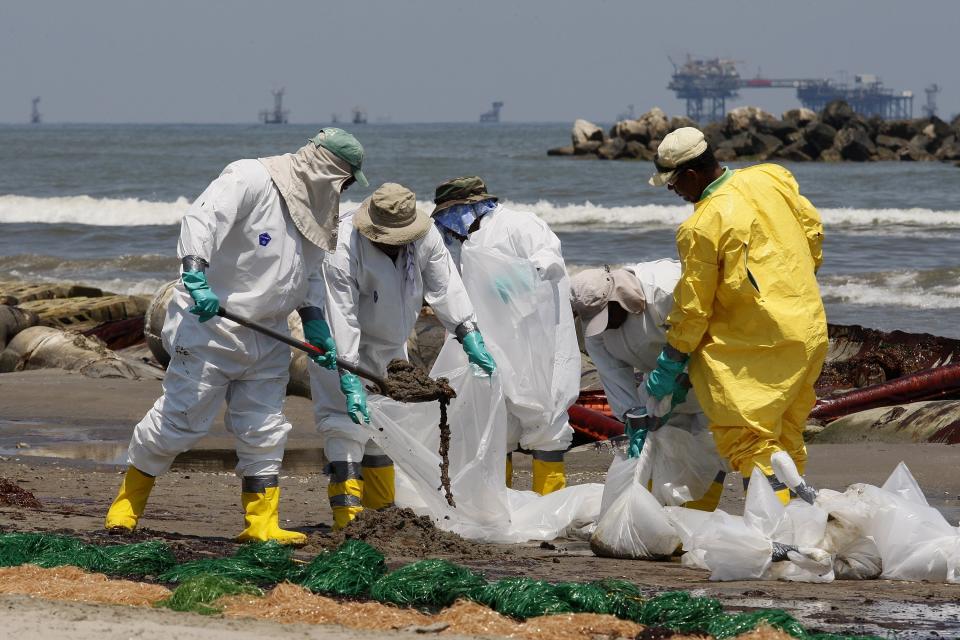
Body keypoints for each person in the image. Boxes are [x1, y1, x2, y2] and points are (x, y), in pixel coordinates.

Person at [105, 129, 368, 544]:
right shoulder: (252, 177)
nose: (347, 189)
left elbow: (309, 271)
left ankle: (261, 523)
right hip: (212, 328)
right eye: (346, 180)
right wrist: (195, 271)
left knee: (264, 428)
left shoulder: (320, 207)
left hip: (269, 336)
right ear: (326, 170)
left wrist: (314, 318)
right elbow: (203, 217)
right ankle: (126, 505)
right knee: (179, 422)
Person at [645, 127, 826, 505]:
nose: (672, 191)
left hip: (757, 347)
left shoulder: (700, 226)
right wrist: (792, 282)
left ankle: (773, 536)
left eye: (673, 182)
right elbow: (812, 230)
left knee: (747, 441)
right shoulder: (770, 177)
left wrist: (672, 362)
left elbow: (693, 308)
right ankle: (796, 529)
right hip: (808, 328)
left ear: (692, 175)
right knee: (786, 437)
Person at [313, 182, 496, 529]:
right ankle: (348, 519)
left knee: (386, 425)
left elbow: (444, 286)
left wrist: (468, 332)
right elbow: (342, 316)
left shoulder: (424, 235)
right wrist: (349, 376)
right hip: (342, 347)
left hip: (391, 348)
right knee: (345, 427)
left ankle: (380, 514)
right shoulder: (341, 247)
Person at [430, 176, 579, 495]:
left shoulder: (520, 224)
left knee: (547, 421)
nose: (448, 227)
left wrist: (515, 282)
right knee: (498, 425)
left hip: (538, 344)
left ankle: (550, 502)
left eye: (448, 216)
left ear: (468, 207)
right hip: (498, 347)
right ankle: (504, 504)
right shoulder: (472, 241)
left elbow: (549, 260)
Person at [570, 261, 726, 510]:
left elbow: (713, 334)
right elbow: (611, 371)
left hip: (710, 376)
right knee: (663, 449)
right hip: (657, 388)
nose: (605, 326)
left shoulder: (666, 290)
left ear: (618, 299)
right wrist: (632, 413)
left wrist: (681, 376)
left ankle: (700, 515)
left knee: (713, 447)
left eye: (607, 317)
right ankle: (659, 515)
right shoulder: (594, 327)